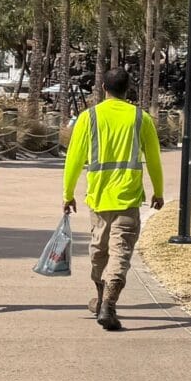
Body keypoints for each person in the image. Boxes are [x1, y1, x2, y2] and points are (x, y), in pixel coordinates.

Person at [62, 68, 162, 331]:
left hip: (98, 198)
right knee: (120, 254)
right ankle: (108, 302)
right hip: (128, 198)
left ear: (103, 87)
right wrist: (158, 191)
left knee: (99, 251)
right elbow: (153, 159)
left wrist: (68, 194)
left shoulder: (89, 117)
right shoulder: (141, 118)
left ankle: (102, 298)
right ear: (128, 89)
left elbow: (73, 159)